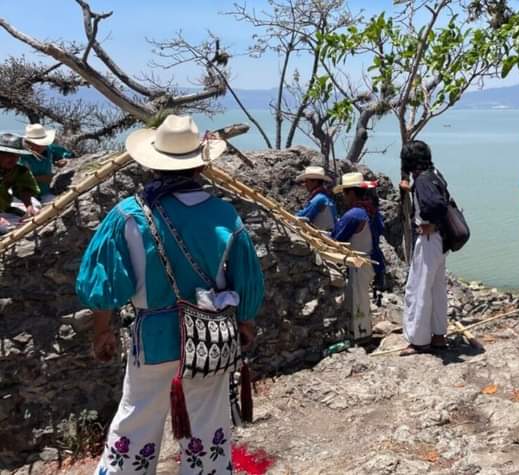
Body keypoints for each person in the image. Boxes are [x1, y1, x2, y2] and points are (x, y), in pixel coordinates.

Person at [75, 115, 264, 474]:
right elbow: (247, 282)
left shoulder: (128, 216)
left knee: (135, 421)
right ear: (201, 165)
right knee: (208, 428)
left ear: (152, 163)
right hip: (210, 339)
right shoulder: (226, 216)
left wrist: (103, 330)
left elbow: (105, 284)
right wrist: (247, 321)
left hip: (153, 338)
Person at [399, 140, 450, 356]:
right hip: (440, 240)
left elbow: (436, 205)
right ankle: (438, 335)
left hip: (428, 238)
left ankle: (419, 340)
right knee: (437, 288)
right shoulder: (434, 173)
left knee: (418, 288)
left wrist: (431, 222)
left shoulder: (421, 180)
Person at [331, 172, 384, 341]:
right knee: (362, 298)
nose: (344, 198)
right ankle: (363, 332)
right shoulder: (371, 211)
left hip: (359, 261)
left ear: (351, 193)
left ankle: (361, 336)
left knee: (358, 300)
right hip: (372, 259)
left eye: (345, 193)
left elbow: (337, 238)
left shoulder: (353, 215)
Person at [20, 124, 74, 202]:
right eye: (35, 144)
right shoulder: (21, 156)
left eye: (42, 144)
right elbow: (16, 178)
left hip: (45, 193)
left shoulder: (49, 150)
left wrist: (62, 159)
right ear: (29, 143)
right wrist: (39, 179)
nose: (39, 147)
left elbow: (66, 154)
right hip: (25, 196)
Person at [0, 133, 40, 234]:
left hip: (3, 209)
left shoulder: (19, 171)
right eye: (8, 155)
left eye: (16, 155)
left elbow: (24, 189)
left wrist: (29, 206)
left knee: (33, 215)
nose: (13, 159)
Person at [295, 165, 337, 231]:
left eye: (307, 181)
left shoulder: (319, 199)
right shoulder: (327, 198)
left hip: (322, 235)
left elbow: (303, 215)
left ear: (315, 182)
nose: (305, 184)